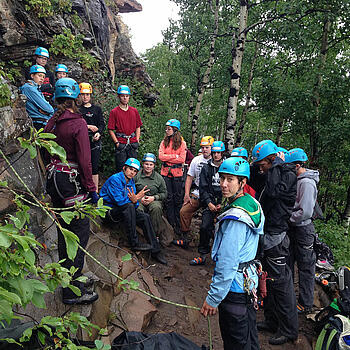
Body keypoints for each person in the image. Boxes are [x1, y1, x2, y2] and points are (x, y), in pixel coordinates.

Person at [200, 157, 264, 350]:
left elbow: (227, 263)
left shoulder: (235, 218)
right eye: (222, 179)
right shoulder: (252, 204)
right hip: (248, 283)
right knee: (249, 337)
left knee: (235, 340)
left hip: (235, 288)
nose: (223, 185)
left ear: (242, 182)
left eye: (230, 180)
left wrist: (213, 298)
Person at [45, 78, 98, 305]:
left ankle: (66, 278)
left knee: (63, 230)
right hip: (71, 181)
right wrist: (92, 189)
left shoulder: (53, 122)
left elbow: (44, 145)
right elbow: (85, 162)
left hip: (54, 179)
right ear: (76, 97)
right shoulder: (77, 124)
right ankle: (71, 288)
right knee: (79, 231)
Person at [251, 139, 298, 345]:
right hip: (266, 232)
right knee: (267, 279)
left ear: (271, 160)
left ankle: (289, 330)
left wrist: (276, 166)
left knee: (281, 285)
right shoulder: (270, 172)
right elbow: (256, 182)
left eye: (263, 165)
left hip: (277, 235)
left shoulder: (286, 174)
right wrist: (256, 165)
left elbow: (273, 192)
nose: (261, 170)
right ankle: (271, 320)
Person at [100, 158, 167, 265]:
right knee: (129, 206)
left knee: (145, 217)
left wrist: (135, 200)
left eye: (135, 171)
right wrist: (135, 199)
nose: (132, 172)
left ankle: (155, 250)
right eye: (130, 169)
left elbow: (134, 204)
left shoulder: (131, 182)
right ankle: (134, 243)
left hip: (123, 210)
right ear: (124, 168)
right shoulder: (115, 179)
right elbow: (120, 202)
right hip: (109, 212)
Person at [288, 148, 319, 314]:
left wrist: (288, 218)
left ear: (298, 165)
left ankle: (306, 303)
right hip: (295, 227)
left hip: (303, 229)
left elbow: (305, 211)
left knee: (305, 266)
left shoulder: (307, 183)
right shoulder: (298, 179)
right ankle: (291, 298)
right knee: (291, 262)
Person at [173, 136, 214, 247]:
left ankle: (210, 241)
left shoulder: (217, 162)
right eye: (203, 147)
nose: (205, 150)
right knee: (184, 211)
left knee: (213, 217)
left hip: (212, 194)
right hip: (197, 191)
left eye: (207, 147)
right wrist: (187, 194)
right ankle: (185, 237)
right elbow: (190, 177)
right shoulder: (196, 160)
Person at [190, 141, 225, 265]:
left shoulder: (227, 167)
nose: (216, 155)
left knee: (225, 231)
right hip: (209, 202)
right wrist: (209, 203)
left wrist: (223, 204)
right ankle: (202, 254)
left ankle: (223, 258)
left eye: (218, 153)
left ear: (222, 153)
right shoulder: (206, 167)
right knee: (205, 227)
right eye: (214, 152)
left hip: (224, 204)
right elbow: (202, 188)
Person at [135, 153, 173, 247]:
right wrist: (139, 198)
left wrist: (154, 198)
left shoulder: (158, 178)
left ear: (154, 166)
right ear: (143, 164)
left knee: (156, 208)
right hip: (139, 199)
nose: (148, 166)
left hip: (153, 200)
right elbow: (129, 189)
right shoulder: (136, 175)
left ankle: (154, 234)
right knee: (137, 209)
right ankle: (140, 233)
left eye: (151, 164)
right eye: (146, 164)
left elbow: (164, 193)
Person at [158, 119, 187, 235]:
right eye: (166, 128)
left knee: (177, 199)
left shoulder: (182, 143)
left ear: (175, 130)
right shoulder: (163, 142)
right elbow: (161, 156)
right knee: (168, 198)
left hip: (177, 174)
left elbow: (182, 159)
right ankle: (170, 223)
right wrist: (174, 156)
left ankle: (178, 224)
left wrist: (168, 156)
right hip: (165, 173)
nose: (167, 130)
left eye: (169, 129)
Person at [107, 85, 142, 173]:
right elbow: (110, 129)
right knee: (121, 168)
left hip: (132, 142)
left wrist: (137, 139)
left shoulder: (134, 111)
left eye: (127, 96)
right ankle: (120, 186)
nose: (125, 98)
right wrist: (117, 142)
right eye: (123, 96)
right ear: (119, 97)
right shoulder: (114, 112)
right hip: (121, 142)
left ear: (129, 97)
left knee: (133, 168)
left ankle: (131, 186)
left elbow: (138, 126)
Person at [79, 82, 105, 192]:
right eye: (83, 95)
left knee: (94, 166)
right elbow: (76, 123)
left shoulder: (97, 109)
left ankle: (95, 192)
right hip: (82, 139)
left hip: (95, 140)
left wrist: (99, 132)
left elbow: (102, 124)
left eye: (87, 95)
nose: (85, 97)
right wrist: (88, 126)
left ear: (90, 95)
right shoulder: (78, 110)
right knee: (82, 164)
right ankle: (83, 189)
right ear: (80, 96)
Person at [20, 65, 54, 130]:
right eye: (39, 75)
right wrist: (47, 111)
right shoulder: (29, 88)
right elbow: (49, 109)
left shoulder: (36, 88)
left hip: (42, 122)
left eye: (43, 77)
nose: (42, 79)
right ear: (32, 76)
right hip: (39, 123)